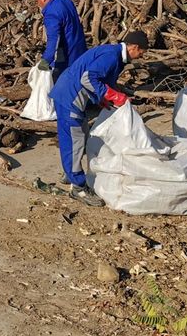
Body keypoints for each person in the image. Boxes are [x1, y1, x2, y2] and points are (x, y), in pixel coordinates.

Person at [51, 30, 149, 206]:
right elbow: (88, 77)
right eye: (142, 51)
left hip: (67, 93)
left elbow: (103, 79)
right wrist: (111, 95)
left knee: (81, 133)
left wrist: (102, 98)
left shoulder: (115, 55)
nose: (142, 55)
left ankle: (70, 172)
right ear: (134, 47)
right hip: (70, 97)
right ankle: (78, 188)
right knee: (76, 140)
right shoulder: (112, 56)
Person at [33, 0, 86, 81]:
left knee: (62, 80)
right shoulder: (66, 1)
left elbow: (54, 38)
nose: (38, 4)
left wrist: (46, 59)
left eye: (37, 1)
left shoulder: (51, 13)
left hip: (66, 51)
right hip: (79, 45)